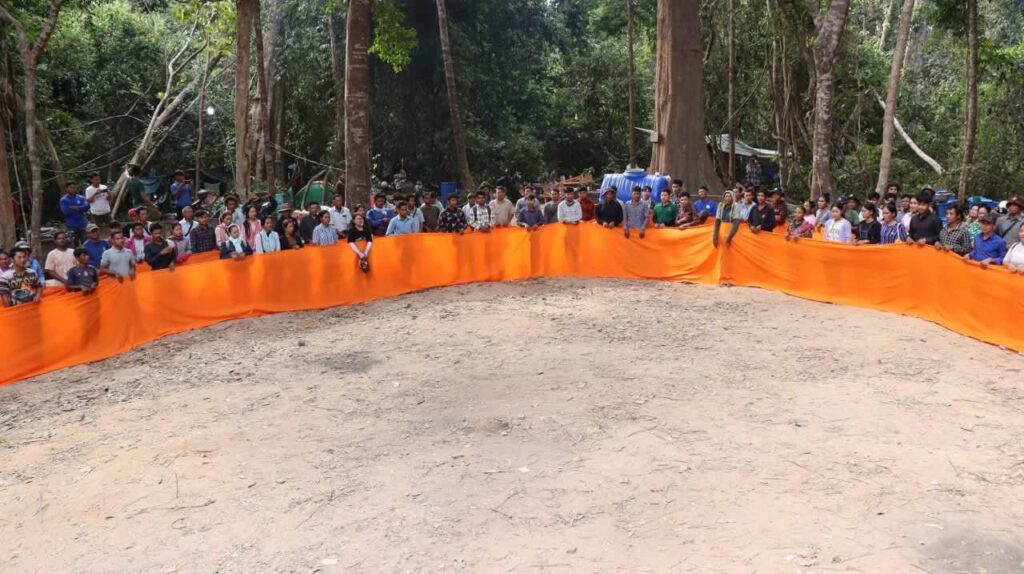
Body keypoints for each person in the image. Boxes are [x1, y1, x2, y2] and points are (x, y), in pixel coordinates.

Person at [60, 182, 89, 246]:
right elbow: (65, 211)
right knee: (74, 244)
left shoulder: (81, 197)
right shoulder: (63, 200)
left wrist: (76, 208)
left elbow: (86, 207)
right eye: (71, 188)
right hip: (71, 225)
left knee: (86, 243)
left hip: (82, 223)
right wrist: (80, 208)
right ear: (66, 189)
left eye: (74, 188)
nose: (73, 189)